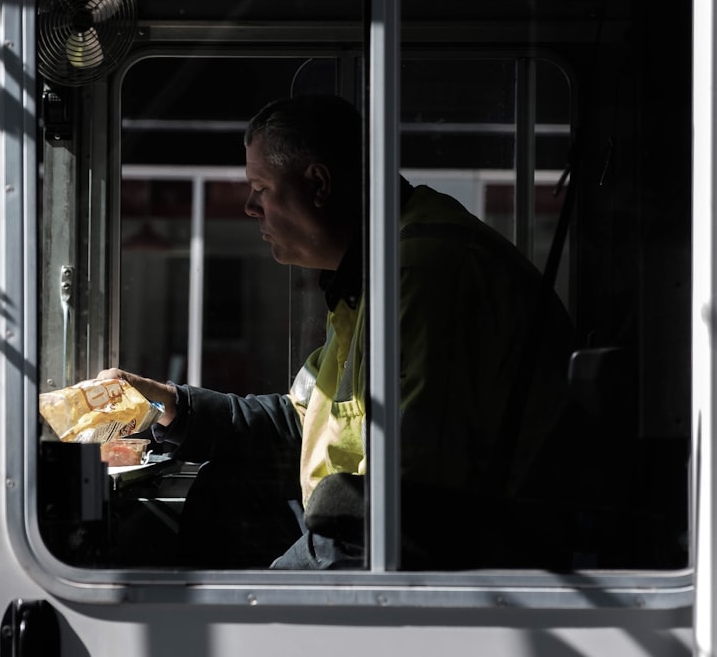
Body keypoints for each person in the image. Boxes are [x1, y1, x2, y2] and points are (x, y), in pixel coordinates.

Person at [99, 93, 580, 570]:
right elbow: (302, 423)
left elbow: (410, 510)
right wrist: (168, 405)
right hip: (395, 525)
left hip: (475, 550)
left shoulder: (421, 274)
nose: (249, 207)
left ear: (319, 184)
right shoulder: (372, 275)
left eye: (261, 188)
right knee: (228, 493)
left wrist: (259, 600)